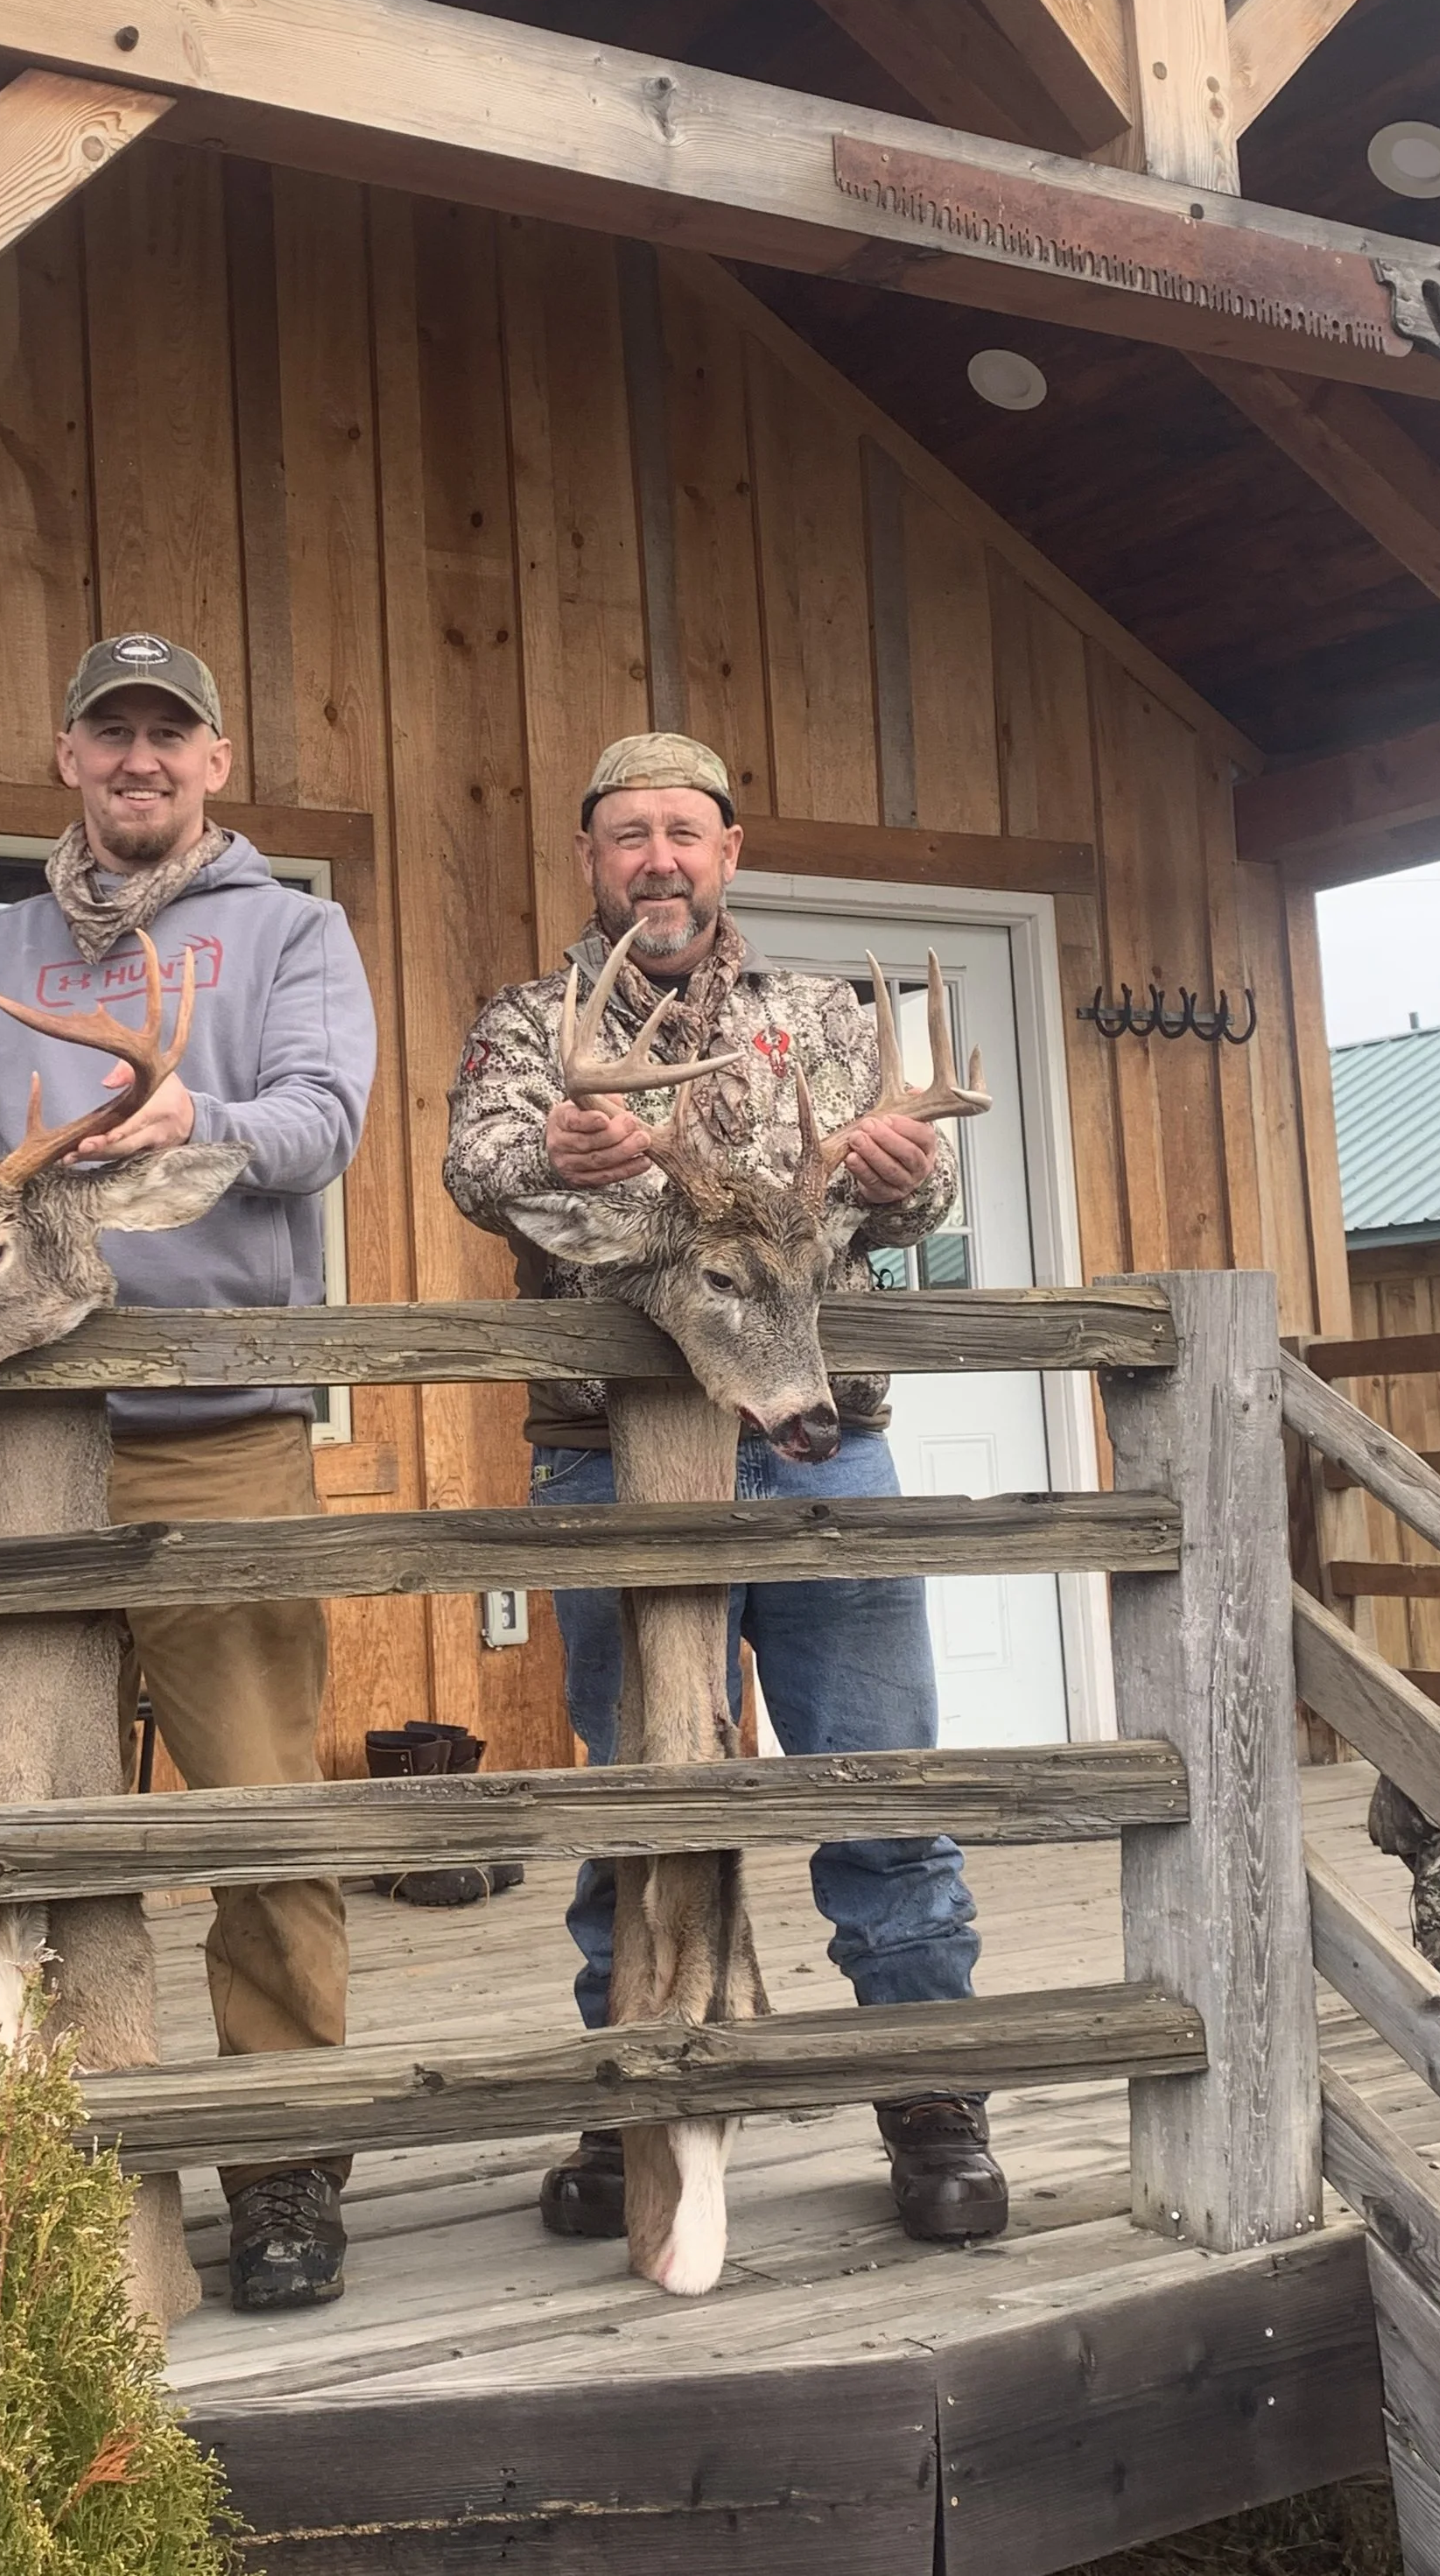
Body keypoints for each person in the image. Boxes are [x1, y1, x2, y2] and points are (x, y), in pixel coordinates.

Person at [0, 634, 376, 2312]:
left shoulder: (289, 931)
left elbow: (325, 1121)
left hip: (218, 1430)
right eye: (109, 730)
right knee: (11, 1811)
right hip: (28, 1436)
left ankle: (280, 2164)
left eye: (169, 731)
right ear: (68, 756)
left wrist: (193, 1119)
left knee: (258, 1812)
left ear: (214, 759)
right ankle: (31, 2160)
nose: (139, 756)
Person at [443, 732, 1007, 2245]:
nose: (658, 860)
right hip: (614, 1454)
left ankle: (930, 2093)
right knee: (639, 1797)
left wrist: (902, 1169)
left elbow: (925, 1198)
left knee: (881, 1783)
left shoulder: (822, 1019)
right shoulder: (534, 1026)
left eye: (683, 832)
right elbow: (481, 1172)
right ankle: (636, 2093)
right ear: (591, 859)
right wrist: (567, 1148)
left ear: (728, 852)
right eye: (628, 834)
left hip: (826, 1443)